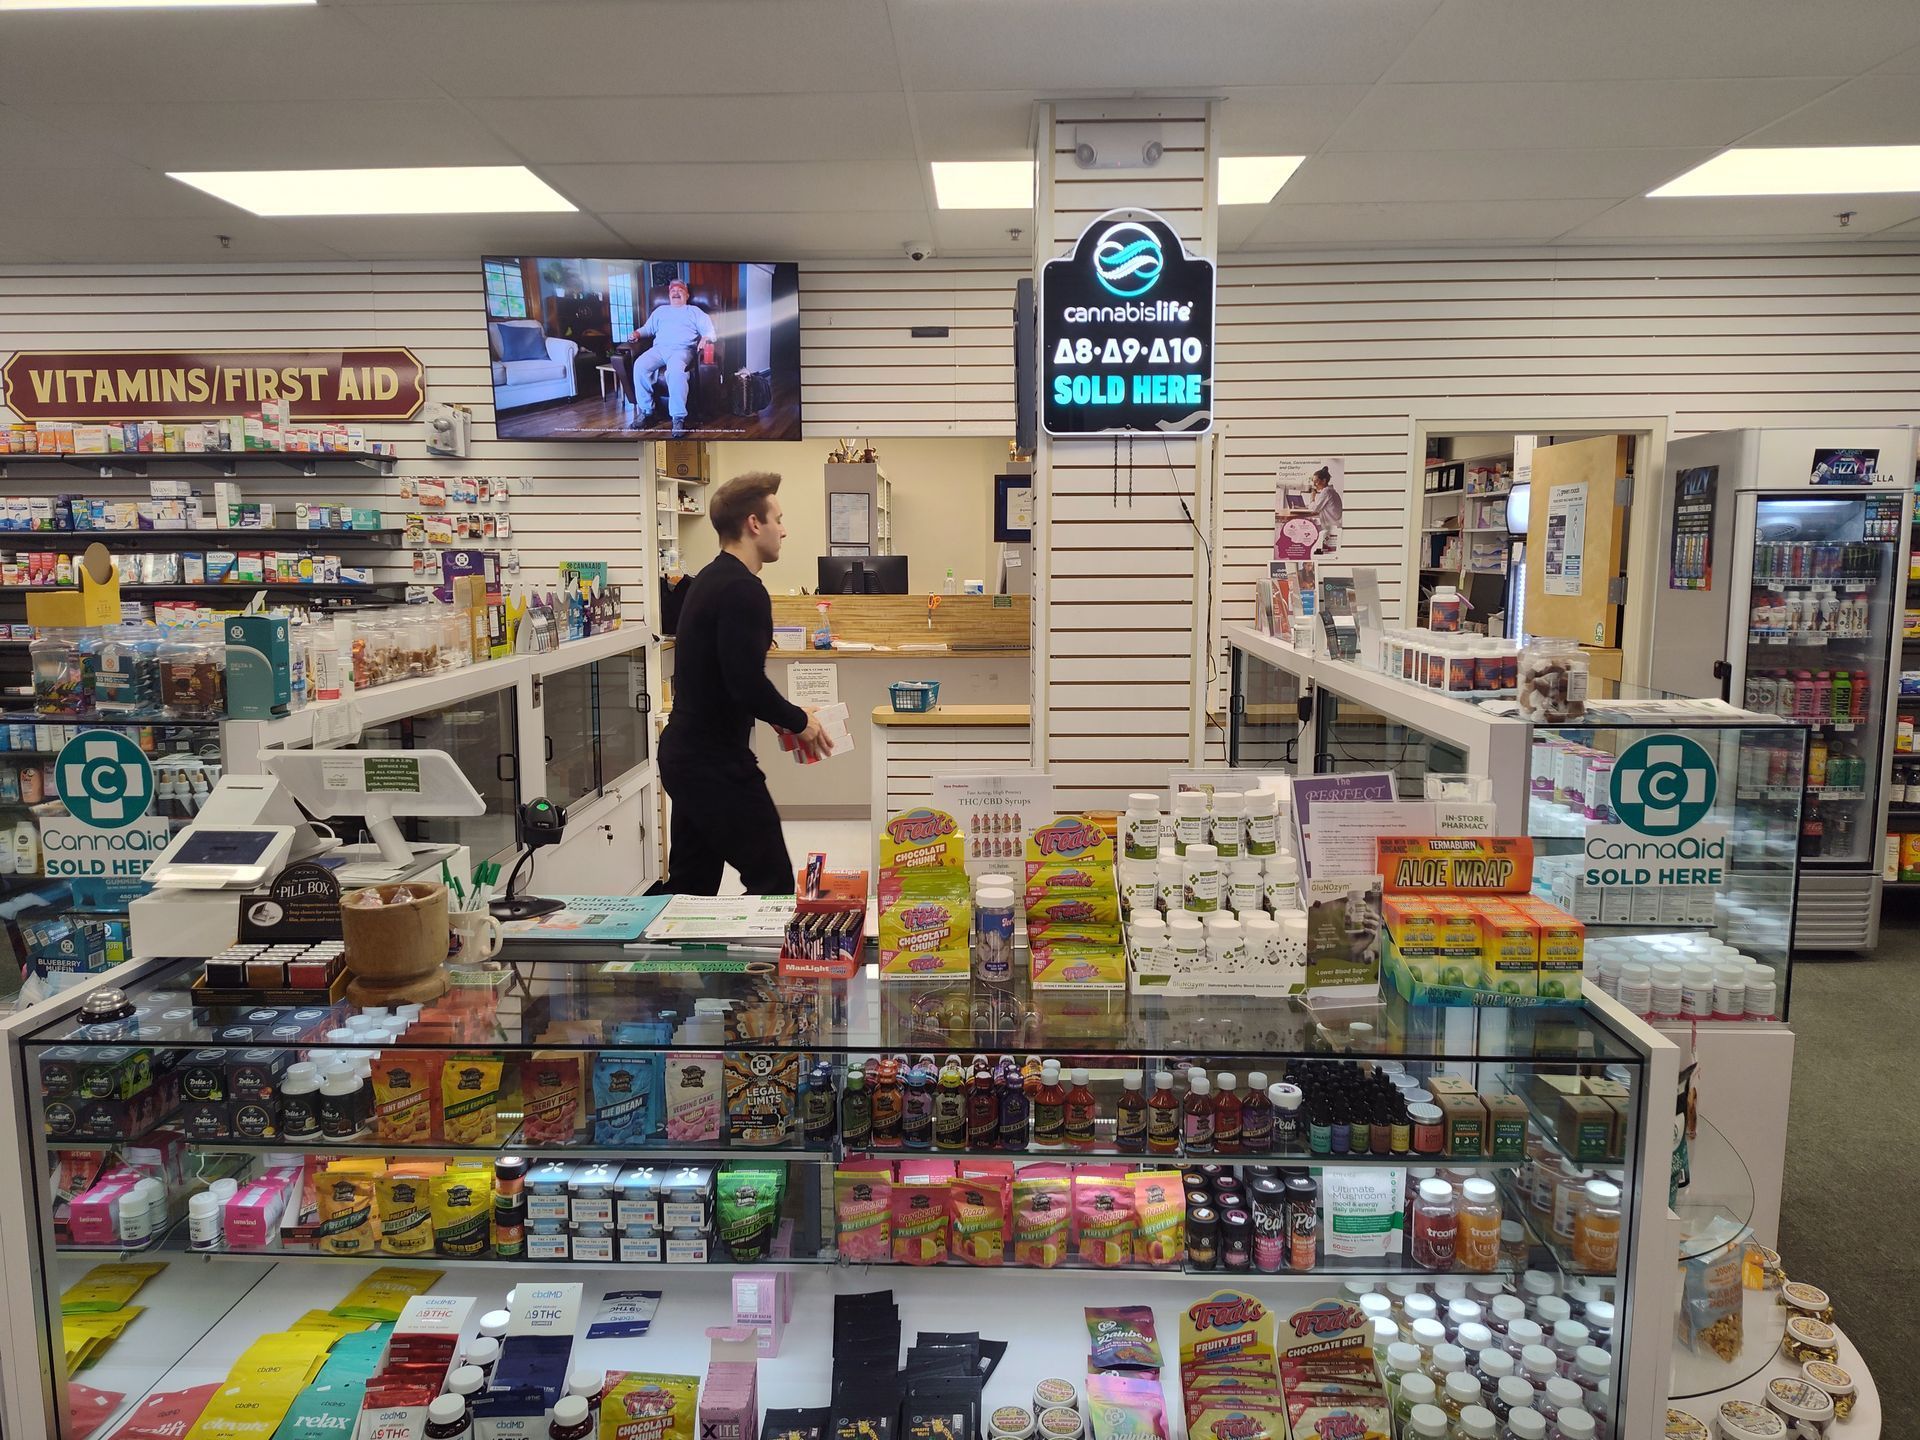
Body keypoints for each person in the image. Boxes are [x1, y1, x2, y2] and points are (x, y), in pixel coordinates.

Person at [656, 471, 825, 895]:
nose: (784, 530)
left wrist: (779, 717)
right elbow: (745, 682)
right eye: (778, 519)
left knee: (691, 888)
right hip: (713, 764)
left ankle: (669, 959)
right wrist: (798, 720)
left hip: (686, 756)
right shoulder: (743, 590)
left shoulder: (712, 578)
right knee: (773, 884)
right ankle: (754, 965)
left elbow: (724, 677)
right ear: (754, 523)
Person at [627, 278, 717, 438]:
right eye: (672, 290)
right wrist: (637, 333)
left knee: (675, 372)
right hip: (659, 349)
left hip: (682, 350)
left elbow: (709, 330)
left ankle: (678, 418)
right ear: (668, 295)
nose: (676, 292)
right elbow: (648, 328)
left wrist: (706, 338)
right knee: (640, 365)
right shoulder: (660, 311)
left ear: (687, 294)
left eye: (680, 289)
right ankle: (647, 412)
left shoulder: (694, 311)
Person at [1303, 464, 1343, 554]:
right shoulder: (1331, 491)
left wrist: (1312, 497)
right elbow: (1319, 506)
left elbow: (1315, 509)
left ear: (1324, 480)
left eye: (1316, 481)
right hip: (1334, 526)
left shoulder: (1326, 491)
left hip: (1331, 530)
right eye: (1313, 481)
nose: (1314, 484)